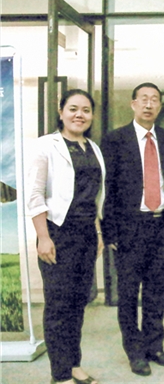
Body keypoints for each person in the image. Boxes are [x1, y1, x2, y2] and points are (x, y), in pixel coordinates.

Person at [101, 83, 164, 376]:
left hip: (161, 225)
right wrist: (109, 231)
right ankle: (134, 352)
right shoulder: (115, 140)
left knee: (157, 291)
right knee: (128, 293)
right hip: (129, 228)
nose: (149, 104)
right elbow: (107, 188)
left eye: (154, 100)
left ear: (160, 106)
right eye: (143, 99)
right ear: (133, 104)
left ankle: (154, 346)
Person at [27, 89, 104, 384]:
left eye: (85, 110)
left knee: (77, 303)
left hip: (86, 234)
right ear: (61, 112)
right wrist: (43, 237)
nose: (79, 115)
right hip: (57, 233)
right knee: (59, 306)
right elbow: (35, 194)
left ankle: (74, 364)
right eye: (73, 109)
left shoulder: (93, 148)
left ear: (91, 115)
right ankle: (60, 375)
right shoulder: (46, 146)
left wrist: (97, 231)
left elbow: (93, 195)